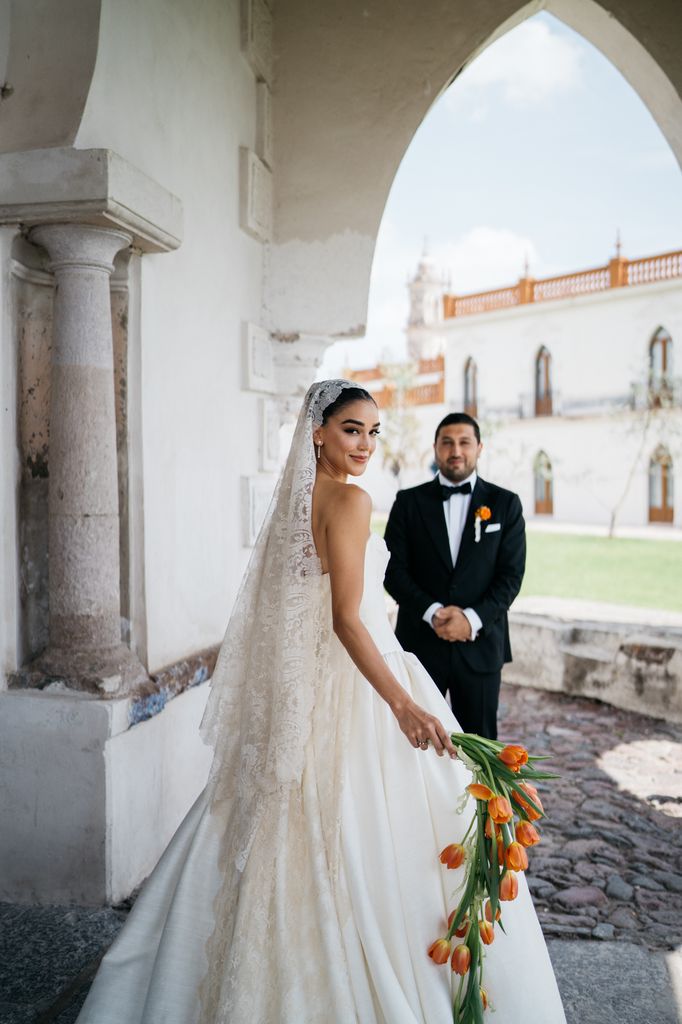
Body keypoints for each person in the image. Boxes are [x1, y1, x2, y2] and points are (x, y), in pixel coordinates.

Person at [77, 382, 564, 1024]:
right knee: (379, 833)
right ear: (318, 433)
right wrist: (402, 705)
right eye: (351, 430)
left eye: (372, 432)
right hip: (364, 679)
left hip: (315, 682)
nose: (364, 444)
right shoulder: (352, 501)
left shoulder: (295, 503)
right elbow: (345, 619)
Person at [384, 413, 526, 740]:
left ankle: (478, 796)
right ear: (435, 448)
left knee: (480, 747)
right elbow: (392, 570)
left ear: (479, 448)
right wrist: (433, 612)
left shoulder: (506, 504)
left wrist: (472, 619)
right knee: (414, 744)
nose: (456, 450)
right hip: (419, 645)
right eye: (447, 442)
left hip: (480, 646)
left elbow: (510, 576)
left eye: (464, 442)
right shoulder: (408, 503)